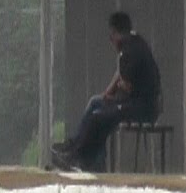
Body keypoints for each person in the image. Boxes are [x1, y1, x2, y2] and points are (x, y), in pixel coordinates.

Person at [52, 12, 161, 172]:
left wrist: (117, 94)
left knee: (100, 117)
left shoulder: (131, 50)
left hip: (143, 106)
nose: (111, 40)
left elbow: (128, 86)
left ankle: (83, 159)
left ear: (116, 33)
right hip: (133, 101)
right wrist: (107, 94)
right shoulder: (132, 42)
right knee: (96, 102)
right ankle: (74, 146)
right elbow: (120, 74)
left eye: (111, 35)